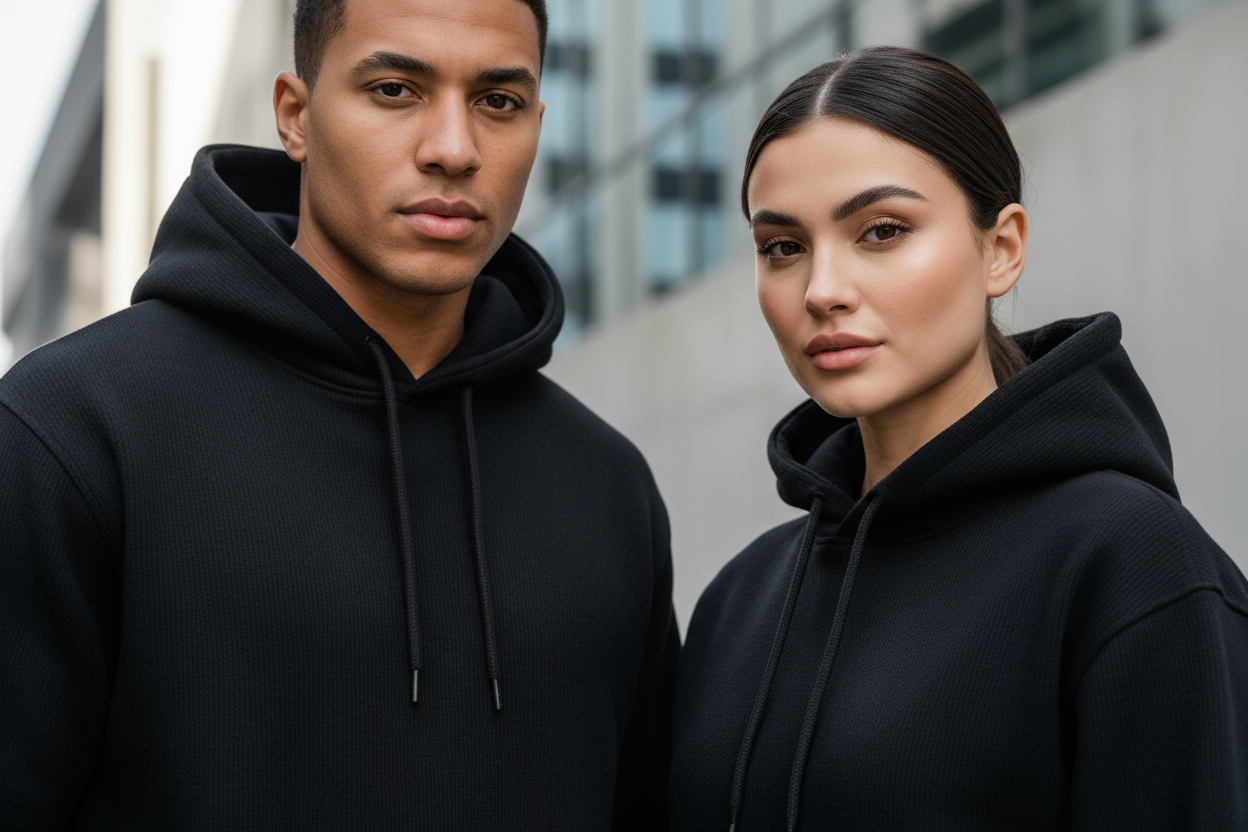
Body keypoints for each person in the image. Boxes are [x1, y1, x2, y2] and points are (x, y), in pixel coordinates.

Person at [0, 0, 678, 828]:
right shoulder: (72, 429)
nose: (454, 151)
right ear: (296, 115)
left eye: (497, 102)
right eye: (396, 89)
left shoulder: (607, 485)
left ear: (538, 124)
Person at [669, 46, 1248, 831]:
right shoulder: (740, 600)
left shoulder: (1130, 564)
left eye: (881, 230)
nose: (822, 290)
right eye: (783, 247)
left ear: (1000, 248)